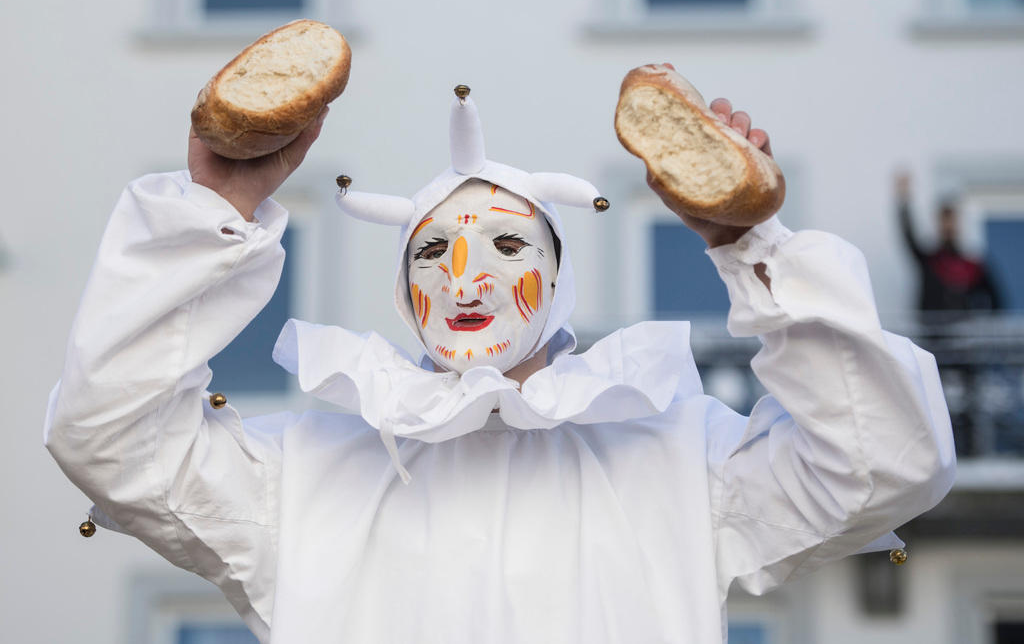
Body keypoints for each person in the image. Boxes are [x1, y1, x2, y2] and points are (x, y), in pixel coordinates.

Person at [45, 77, 956, 644]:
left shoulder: (684, 463)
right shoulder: (298, 479)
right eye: (433, 252)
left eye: (509, 249)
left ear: (557, 278)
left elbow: (885, 461)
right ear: (403, 289)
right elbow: (107, 435)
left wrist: (759, 246)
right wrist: (208, 214)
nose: (469, 278)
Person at [896, 170, 1002, 316]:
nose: (948, 225)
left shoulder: (972, 265)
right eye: (944, 220)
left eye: (951, 220)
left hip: (962, 335)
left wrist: (985, 327)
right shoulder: (929, 260)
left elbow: (997, 300)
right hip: (931, 334)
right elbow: (909, 237)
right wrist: (904, 200)